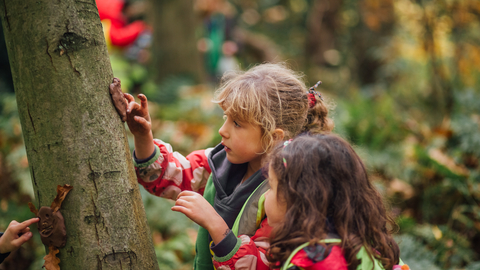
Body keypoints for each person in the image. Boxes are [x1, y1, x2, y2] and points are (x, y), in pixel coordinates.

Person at [120, 62, 334, 269]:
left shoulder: (283, 194)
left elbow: (263, 264)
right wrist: (143, 136)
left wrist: (214, 224)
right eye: (226, 118)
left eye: (237, 123)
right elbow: (169, 176)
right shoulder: (220, 161)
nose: (223, 130)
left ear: (274, 137)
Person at [239, 134, 407, 270]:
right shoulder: (362, 248)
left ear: (299, 202)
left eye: (272, 187)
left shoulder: (313, 261)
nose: (265, 196)